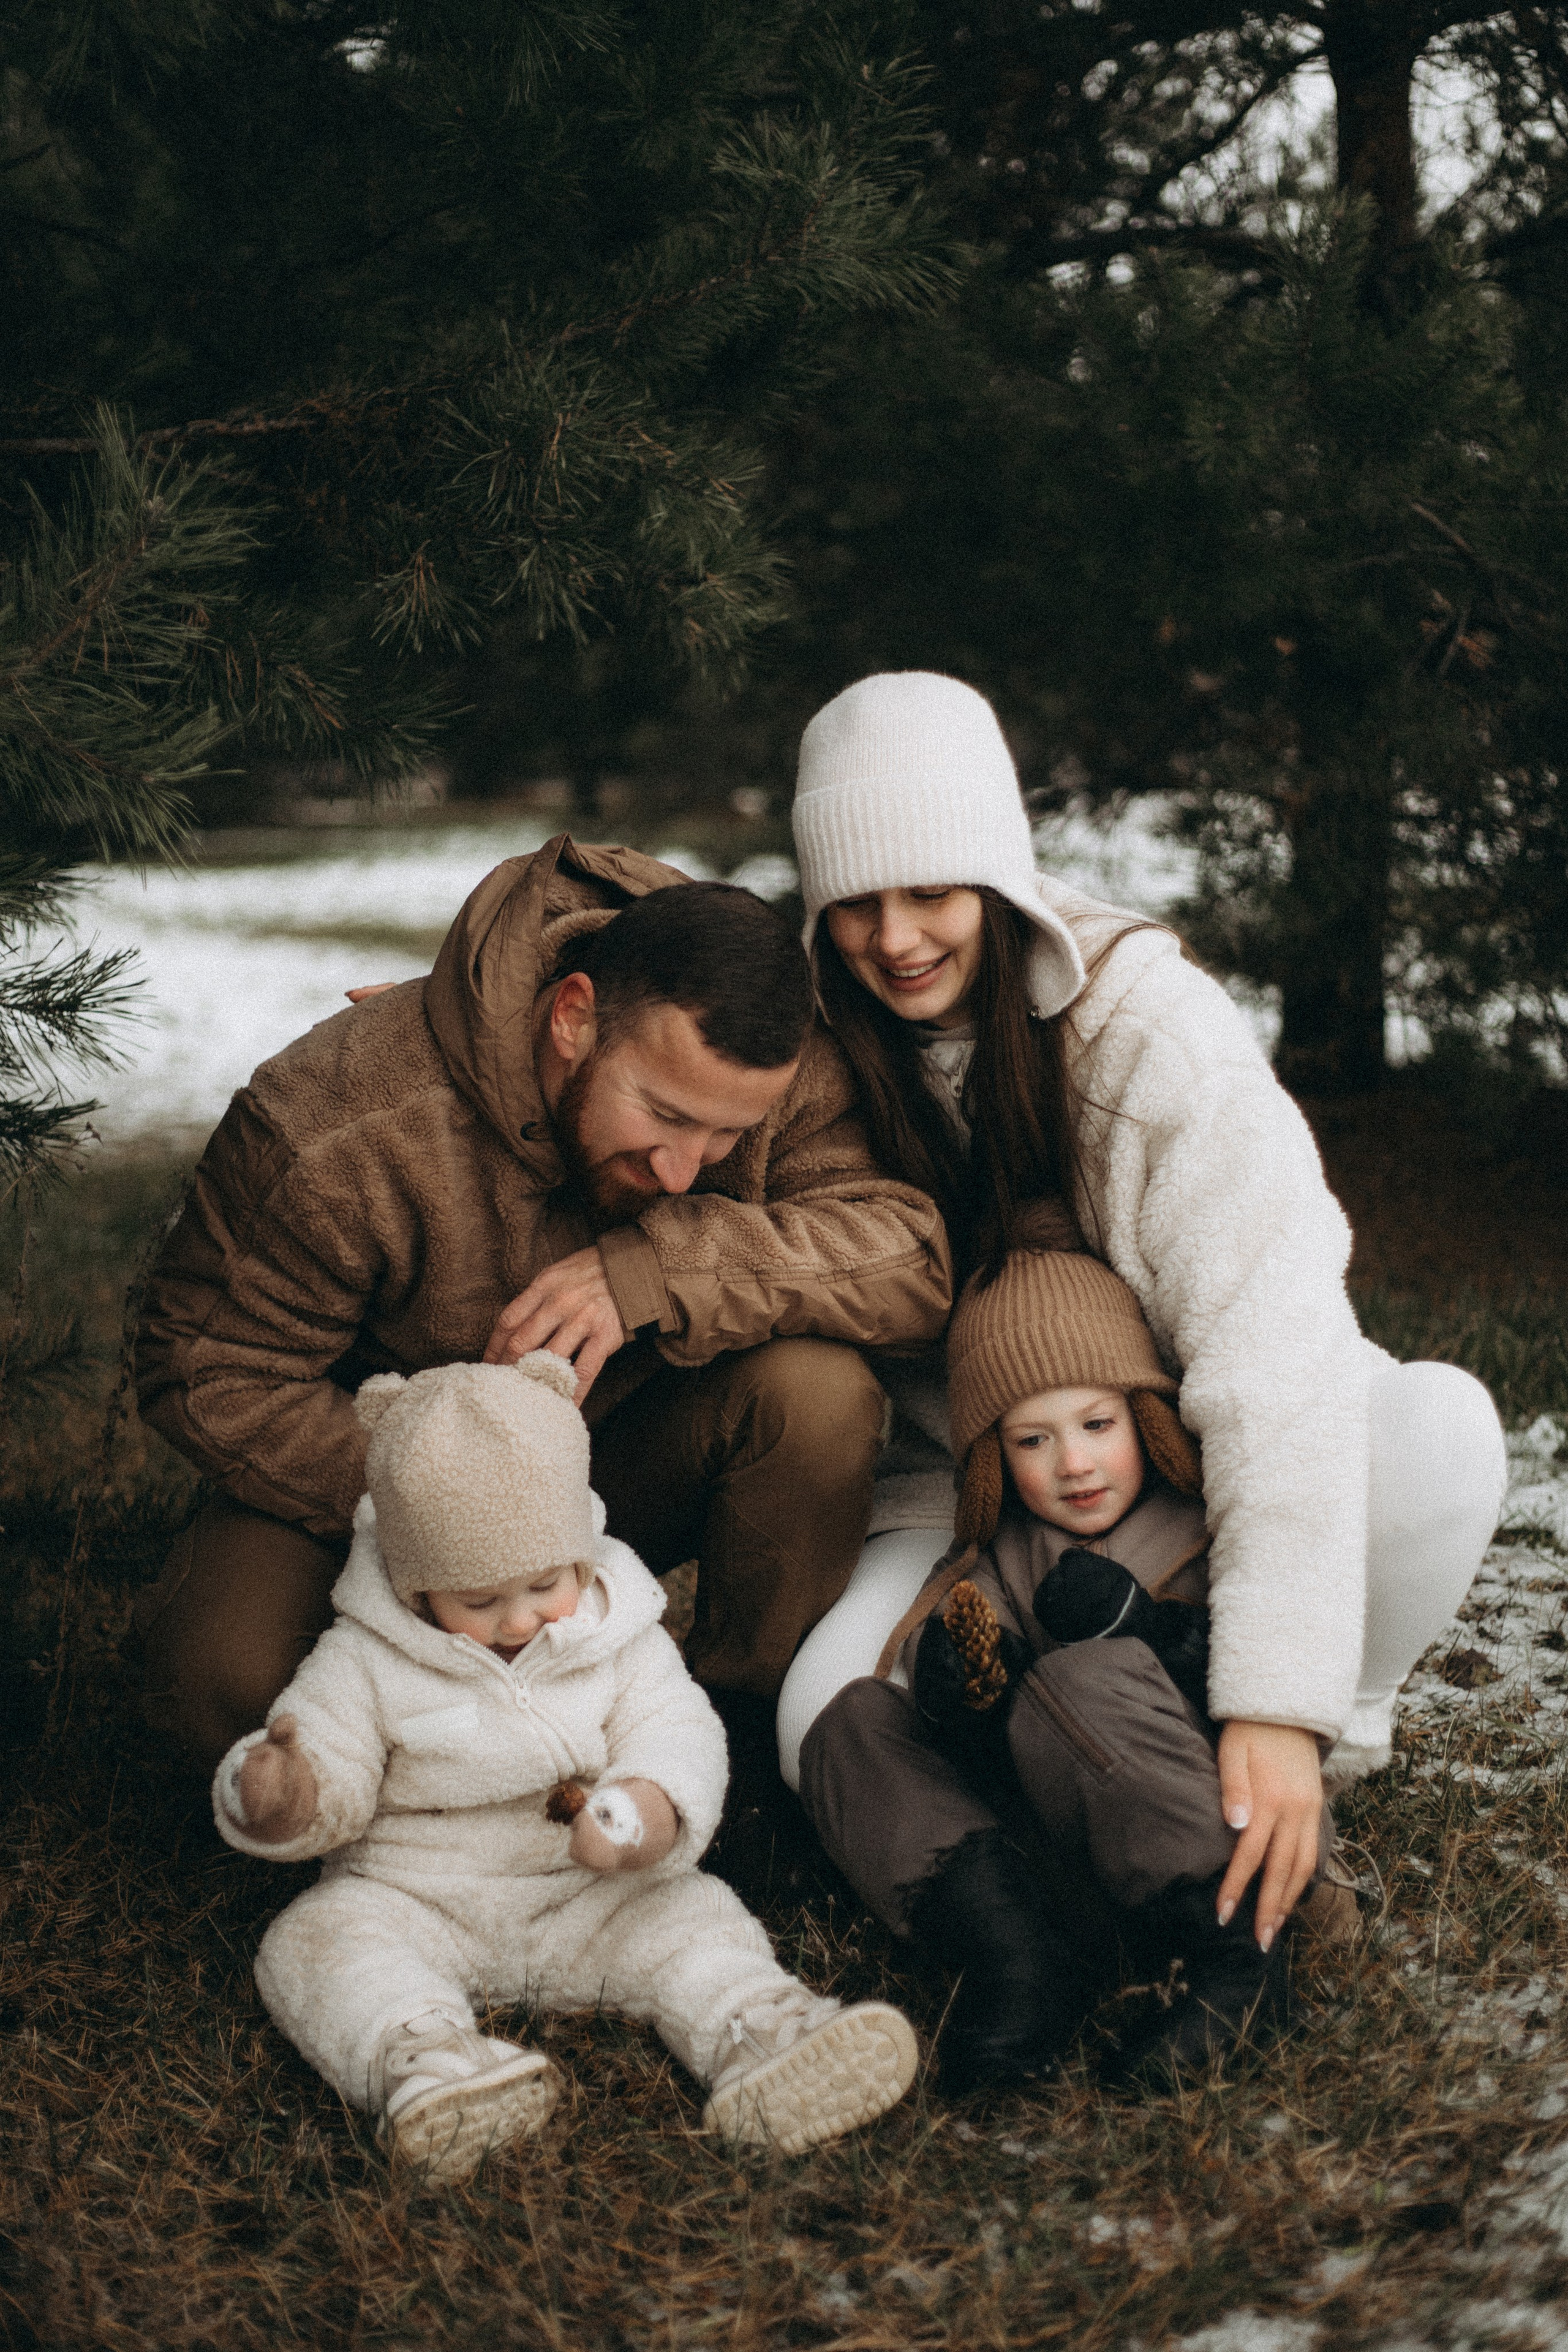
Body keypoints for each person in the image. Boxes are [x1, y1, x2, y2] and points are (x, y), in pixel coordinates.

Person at [775, 671, 1507, 2076]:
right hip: (963, 1484)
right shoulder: (815, 1046)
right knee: (826, 1712)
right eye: (851, 904)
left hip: (1165, 1462)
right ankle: (1031, 1919)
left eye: (929, 889)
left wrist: (1279, 1704)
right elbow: (640, 978)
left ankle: (1283, 1780)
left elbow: (1272, 1357)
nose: (893, 937)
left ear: (996, 872)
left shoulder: (1146, 1032)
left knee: (1434, 1430)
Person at [135, 837, 951, 1774]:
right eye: (667, 1116)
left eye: (728, 1134)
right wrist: (453, 1497)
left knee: (816, 1394)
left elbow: (908, 1254)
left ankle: (737, 1751)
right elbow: (210, 1367)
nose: (687, 1169)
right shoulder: (340, 1119)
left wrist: (657, 1269)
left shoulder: (767, 1045)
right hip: (375, 1485)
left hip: (621, 1461)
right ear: (573, 1017)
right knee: (218, 1682)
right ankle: (447, 1784)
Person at [214, 1351, 919, 2179]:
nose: (517, 1618)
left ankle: (758, 2027)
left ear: (580, 1554)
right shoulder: (367, 1655)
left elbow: (678, 1730)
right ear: (413, 1588)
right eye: (477, 1602)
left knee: (693, 1919)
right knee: (314, 1941)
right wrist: (283, 1789)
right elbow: (329, 1748)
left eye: (544, 1584)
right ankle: (423, 2055)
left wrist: (646, 1809)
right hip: (421, 1897)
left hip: (595, 1893)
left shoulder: (619, 1635)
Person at [811, 1244, 1339, 2092]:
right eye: (1033, 1439)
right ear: (994, 1456)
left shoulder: (1202, 1525)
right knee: (854, 1721)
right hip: (1062, 1871)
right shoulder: (996, 1559)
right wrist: (964, 1695)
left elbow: (1256, 1677)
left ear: (1143, 1417)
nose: (1075, 1464)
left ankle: (1239, 1971)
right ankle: (1019, 1960)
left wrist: (1148, 1628)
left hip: (1215, 1856)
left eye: (1099, 1425)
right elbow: (986, 1746)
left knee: (1082, 1680)